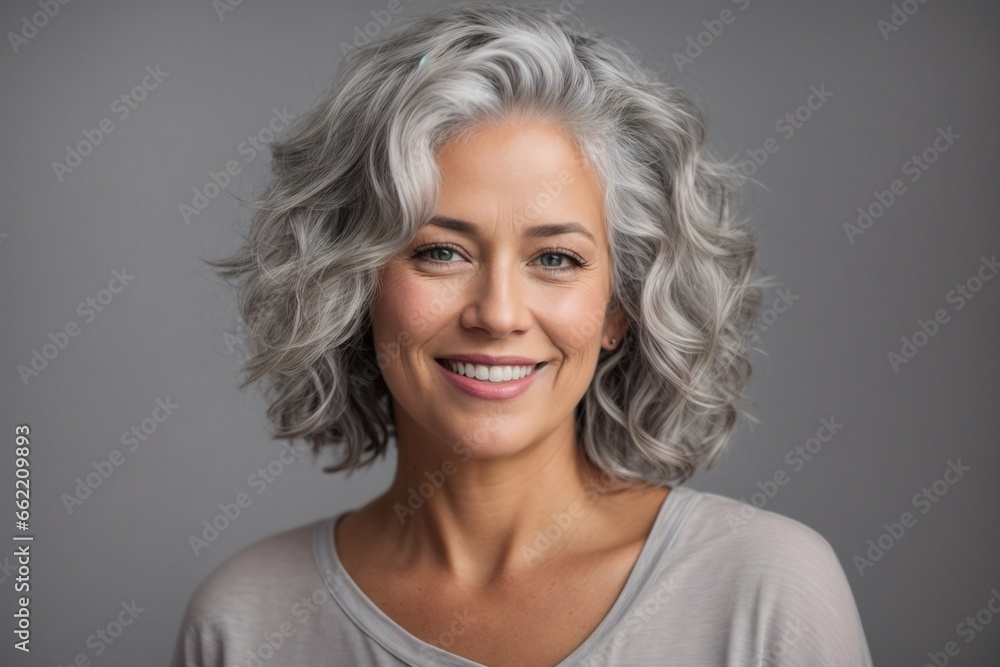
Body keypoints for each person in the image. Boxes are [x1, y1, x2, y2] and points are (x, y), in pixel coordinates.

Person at [171, 4, 873, 666]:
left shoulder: (765, 587)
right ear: (351, 285)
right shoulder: (246, 621)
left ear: (618, 307)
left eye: (556, 259)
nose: (499, 313)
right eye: (440, 251)